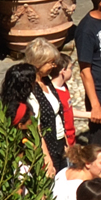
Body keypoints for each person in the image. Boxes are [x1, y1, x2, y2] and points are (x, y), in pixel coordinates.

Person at [24, 40, 74, 175]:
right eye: (50, 62)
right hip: (47, 145)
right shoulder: (31, 90)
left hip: (58, 141)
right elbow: (36, 128)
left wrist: (65, 141)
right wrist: (46, 158)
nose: (53, 66)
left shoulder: (46, 81)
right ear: (38, 63)